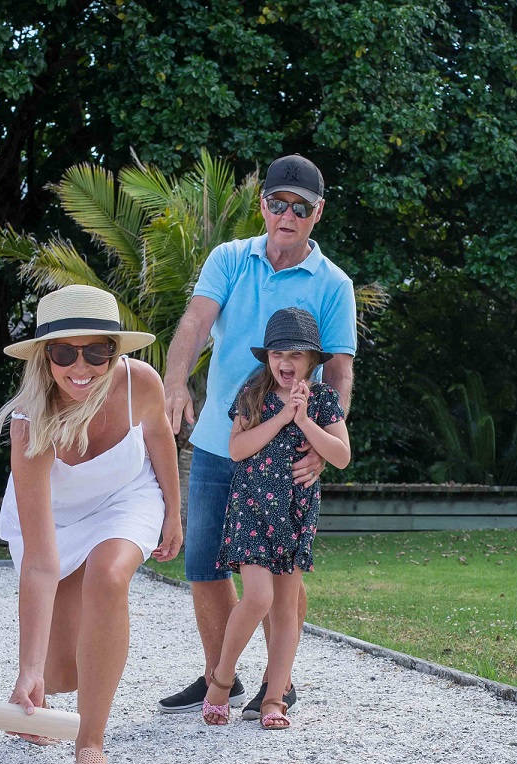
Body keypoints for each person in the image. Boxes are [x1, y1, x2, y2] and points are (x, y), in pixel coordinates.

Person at [160, 154, 357, 722]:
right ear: (263, 205)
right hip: (226, 442)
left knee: (282, 572)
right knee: (203, 565)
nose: (286, 215)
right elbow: (196, 322)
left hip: (289, 453)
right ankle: (219, 674)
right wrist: (174, 382)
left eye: (300, 207)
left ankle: (279, 682)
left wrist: (324, 441)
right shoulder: (229, 259)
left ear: (316, 213)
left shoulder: (333, 284)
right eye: (277, 204)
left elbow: (339, 368)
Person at [0, 284, 183, 764]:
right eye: (64, 352)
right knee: (60, 672)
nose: (81, 366)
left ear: (114, 351)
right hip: (58, 518)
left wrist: (175, 513)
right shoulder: (29, 425)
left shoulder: (141, 383)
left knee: (108, 575)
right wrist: (28, 666)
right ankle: (33, 690)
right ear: (44, 358)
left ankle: (90, 746)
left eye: (97, 350)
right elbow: (41, 563)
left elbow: (160, 438)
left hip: (126, 495)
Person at [203, 309, 350, 728]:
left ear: (312, 362)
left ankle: (273, 698)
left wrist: (304, 421)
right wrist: (284, 417)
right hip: (252, 507)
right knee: (259, 597)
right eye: (276, 353)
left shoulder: (322, 401)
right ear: (266, 356)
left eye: (296, 355)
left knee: (286, 607)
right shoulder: (253, 394)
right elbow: (236, 449)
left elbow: (341, 456)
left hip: (295, 511)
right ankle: (221, 678)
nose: (285, 363)